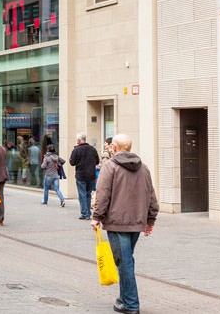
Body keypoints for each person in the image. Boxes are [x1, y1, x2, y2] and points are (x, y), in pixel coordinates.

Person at [91, 134, 158, 314]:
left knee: (125, 262)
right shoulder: (143, 168)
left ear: (114, 148)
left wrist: (96, 216)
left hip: (117, 222)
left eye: (111, 146)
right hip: (136, 223)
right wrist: (150, 220)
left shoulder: (110, 166)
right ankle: (123, 299)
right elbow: (151, 195)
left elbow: (102, 193)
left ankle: (130, 304)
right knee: (126, 261)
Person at [69, 133, 100, 220]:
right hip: (91, 175)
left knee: (82, 195)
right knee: (88, 194)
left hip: (81, 175)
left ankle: (84, 213)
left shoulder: (76, 150)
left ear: (78, 140)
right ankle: (88, 213)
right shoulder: (92, 149)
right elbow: (97, 161)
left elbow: (72, 163)